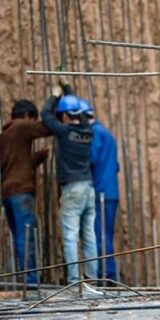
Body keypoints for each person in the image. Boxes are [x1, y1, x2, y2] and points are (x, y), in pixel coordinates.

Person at [40, 86, 98, 285]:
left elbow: (45, 115)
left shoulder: (64, 132)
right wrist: (67, 89)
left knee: (71, 237)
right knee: (89, 236)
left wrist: (55, 94)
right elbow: (79, 112)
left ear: (64, 115)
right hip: (89, 188)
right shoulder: (88, 131)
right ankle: (91, 279)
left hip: (72, 188)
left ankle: (74, 281)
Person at [0, 100, 50, 284]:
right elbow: (47, 127)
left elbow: (14, 164)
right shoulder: (21, 126)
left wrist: (37, 157)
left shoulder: (5, 134)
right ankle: (30, 281)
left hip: (7, 193)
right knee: (26, 236)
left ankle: (26, 278)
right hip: (21, 192)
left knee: (19, 237)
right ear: (28, 116)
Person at [79, 98, 119, 281]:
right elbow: (115, 165)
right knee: (106, 234)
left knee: (100, 235)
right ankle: (108, 274)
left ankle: (107, 276)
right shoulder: (107, 133)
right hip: (111, 191)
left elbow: (91, 159)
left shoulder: (94, 134)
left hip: (100, 192)